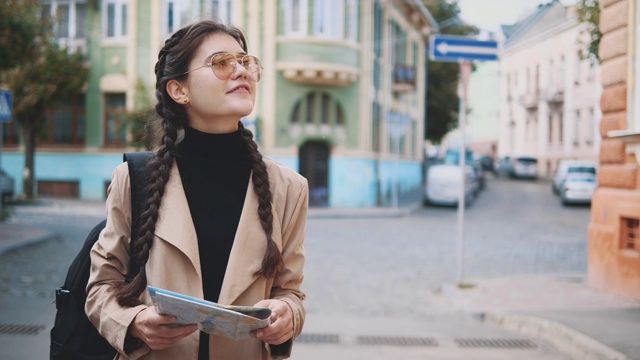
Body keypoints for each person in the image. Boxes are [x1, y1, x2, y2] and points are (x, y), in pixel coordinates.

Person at [86, 20, 308, 360]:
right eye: (222, 62)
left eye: (246, 62)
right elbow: (100, 288)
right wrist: (133, 321)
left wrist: (286, 317)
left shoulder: (289, 188)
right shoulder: (135, 178)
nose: (241, 71)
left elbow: (290, 293)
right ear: (179, 90)